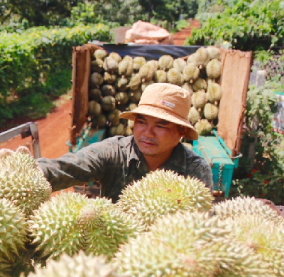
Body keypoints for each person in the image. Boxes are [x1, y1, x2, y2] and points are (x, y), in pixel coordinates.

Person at [34, 83, 213, 202]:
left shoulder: (194, 171)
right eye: (141, 122)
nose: (147, 133)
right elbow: (70, 166)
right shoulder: (114, 152)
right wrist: (32, 170)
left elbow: (201, 223)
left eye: (160, 126)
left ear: (181, 132)